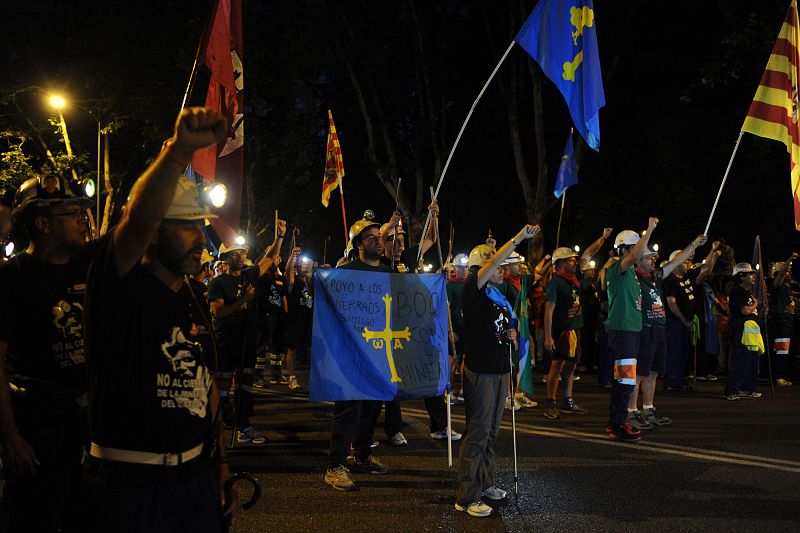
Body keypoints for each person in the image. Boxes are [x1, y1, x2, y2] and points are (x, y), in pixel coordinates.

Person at [83, 107, 236, 532]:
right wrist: (179, 150)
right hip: (130, 489)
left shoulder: (190, 296)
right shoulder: (118, 285)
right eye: (186, 226)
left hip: (195, 483)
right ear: (154, 232)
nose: (200, 241)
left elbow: (205, 388)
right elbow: (135, 222)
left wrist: (219, 463)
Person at [0, 174, 95, 532]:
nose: (81, 221)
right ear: (41, 223)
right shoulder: (11, 279)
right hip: (37, 430)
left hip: (85, 429)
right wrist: (10, 438)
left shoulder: (87, 267)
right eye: (71, 214)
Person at [455, 223, 538, 518]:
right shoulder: (473, 291)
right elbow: (489, 265)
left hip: (499, 368)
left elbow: (499, 329)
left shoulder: (498, 298)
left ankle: (485, 482)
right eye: (500, 266)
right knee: (477, 433)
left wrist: (511, 336)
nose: (504, 270)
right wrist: (516, 239)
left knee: (491, 432)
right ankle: (467, 496)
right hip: (481, 371)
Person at [324, 215, 392, 491]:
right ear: (359, 245)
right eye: (371, 238)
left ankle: (362, 454)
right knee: (348, 409)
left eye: (380, 237)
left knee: (372, 408)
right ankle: (335, 465)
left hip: (379, 353)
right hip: (352, 355)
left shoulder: (389, 272)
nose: (378, 241)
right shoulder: (346, 273)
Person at [208, 225, 285, 444]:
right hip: (226, 341)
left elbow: (270, 258)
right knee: (222, 388)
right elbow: (219, 311)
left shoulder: (250, 274)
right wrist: (244, 300)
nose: (241, 256)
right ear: (226, 258)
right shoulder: (217, 283)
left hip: (247, 339)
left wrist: (279, 236)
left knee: (245, 385)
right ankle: (216, 430)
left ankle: (244, 426)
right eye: (236, 254)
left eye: (242, 253)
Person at [627, 236, 707, 430]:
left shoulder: (657, 277)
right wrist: (649, 231)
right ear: (638, 261)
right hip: (645, 330)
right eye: (648, 258)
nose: (653, 260)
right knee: (638, 375)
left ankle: (648, 409)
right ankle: (631, 412)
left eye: (654, 257)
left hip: (659, 329)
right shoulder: (633, 277)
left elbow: (677, 261)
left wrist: (694, 243)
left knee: (653, 373)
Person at [602, 219, 658, 443]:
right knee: (625, 380)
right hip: (623, 331)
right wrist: (650, 229)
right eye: (635, 248)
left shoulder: (633, 274)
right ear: (625, 250)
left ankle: (617, 420)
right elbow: (633, 257)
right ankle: (617, 424)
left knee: (624, 380)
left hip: (632, 331)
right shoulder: (617, 269)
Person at [725, 263, 764, 400]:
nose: (753, 276)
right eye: (749, 274)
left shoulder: (747, 293)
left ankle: (747, 389)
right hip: (742, 328)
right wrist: (755, 304)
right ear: (741, 276)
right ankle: (732, 390)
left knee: (752, 361)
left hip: (751, 330)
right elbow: (745, 310)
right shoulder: (737, 291)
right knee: (741, 359)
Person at [284, 247, 314, 391]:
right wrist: (292, 256)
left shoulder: (312, 282)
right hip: (295, 322)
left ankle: (317, 379)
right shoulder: (293, 283)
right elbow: (288, 271)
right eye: (300, 266)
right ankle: (292, 378)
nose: (304, 267)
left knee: (314, 351)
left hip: (310, 322)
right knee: (292, 350)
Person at [768, 255, 797, 386]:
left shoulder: (786, 287)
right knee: (781, 350)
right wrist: (790, 259)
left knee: (785, 350)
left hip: (787, 321)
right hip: (780, 321)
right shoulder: (777, 284)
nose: (789, 272)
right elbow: (782, 272)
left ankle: (781, 375)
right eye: (787, 271)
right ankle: (778, 376)